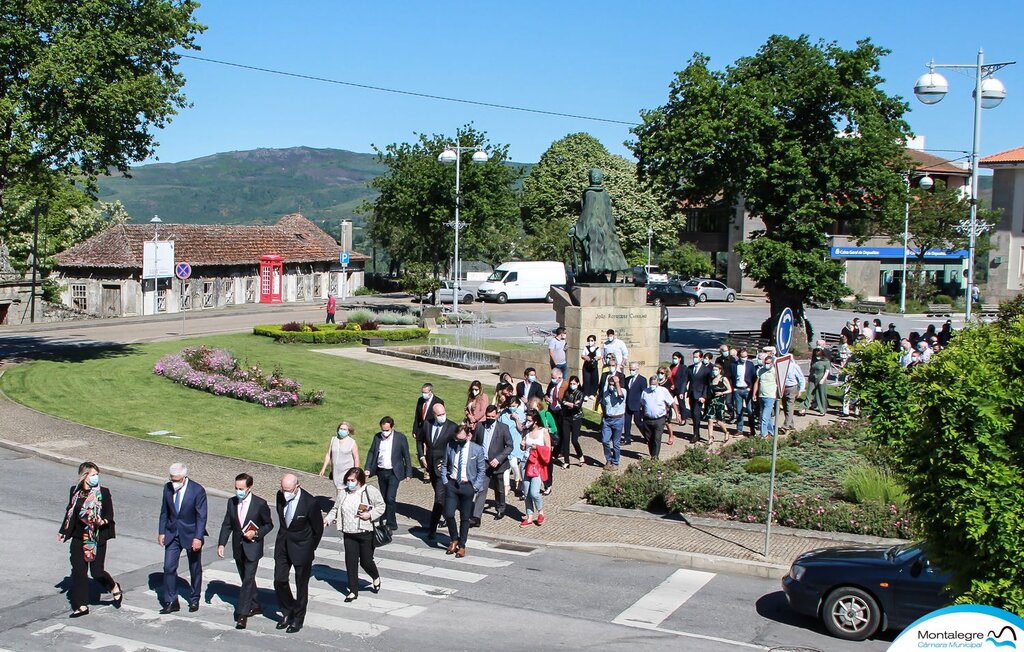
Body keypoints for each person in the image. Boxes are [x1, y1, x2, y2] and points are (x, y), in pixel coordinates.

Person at [58, 461, 121, 618]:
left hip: (96, 537)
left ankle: (113, 587)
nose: (96, 478)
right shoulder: (75, 491)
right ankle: (81, 605)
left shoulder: (103, 493)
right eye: (93, 475)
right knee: (79, 571)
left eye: (97, 475)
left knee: (96, 572)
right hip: (79, 537)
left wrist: (102, 521)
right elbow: (70, 513)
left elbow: (109, 516)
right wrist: (63, 531)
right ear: (84, 476)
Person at [217, 473, 274, 629]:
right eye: (236, 488)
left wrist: (255, 533)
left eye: (241, 488)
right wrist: (222, 543)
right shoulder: (232, 502)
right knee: (245, 579)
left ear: (249, 488)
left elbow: (269, 525)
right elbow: (227, 524)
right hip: (238, 547)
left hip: (252, 547)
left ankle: (242, 613)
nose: (238, 491)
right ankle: (255, 604)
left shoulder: (260, 504)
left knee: (248, 580)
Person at [323, 467, 383, 602]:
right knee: (350, 562)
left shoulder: (369, 491)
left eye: (352, 480)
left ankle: (375, 576)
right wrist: (328, 519)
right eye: (348, 480)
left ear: (360, 480)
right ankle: (353, 591)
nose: (349, 482)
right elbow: (335, 508)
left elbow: (381, 506)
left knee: (366, 561)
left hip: (365, 532)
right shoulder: (343, 493)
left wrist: (370, 514)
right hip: (349, 533)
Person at [274, 473, 323, 633]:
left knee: (301, 585)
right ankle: (288, 609)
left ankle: (298, 618)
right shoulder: (280, 496)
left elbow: (318, 529)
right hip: (283, 544)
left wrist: (310, 547)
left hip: (302, 547)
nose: (285, 493)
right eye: (283, 489)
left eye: (288, 490)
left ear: (297, 487)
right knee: (279, 579)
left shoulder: (310, 502)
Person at [158, 462, 207, 614]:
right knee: (168, 567)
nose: (174, 482)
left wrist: (198, 537)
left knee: (194, 567)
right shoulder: (167, 488)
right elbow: (164, 511)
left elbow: (201, 516)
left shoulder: (197, 490)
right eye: (172, 479)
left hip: (191, 534)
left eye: (177, 479)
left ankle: (194, 598)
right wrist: (162, 531)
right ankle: (171, 600)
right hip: (172, 533)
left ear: (184, 477)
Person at [441, 425, 486, 558]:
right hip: (453, 484)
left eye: (461, 439)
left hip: (468, 486)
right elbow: (444, 465)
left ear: (468, 436)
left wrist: (475, 487)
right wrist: (445, 481)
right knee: (449, 514)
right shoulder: (451, 446)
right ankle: (454, 538)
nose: (458, 442)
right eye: (457, 439)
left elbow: (481, 470)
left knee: (465, 518)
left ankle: (462, 545)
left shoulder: (476, 450)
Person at [416, 403, 458, 540]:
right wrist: (422, 456)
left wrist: (449, 464)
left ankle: (432, 529)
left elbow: (456, 448)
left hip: (443, 468)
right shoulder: (427, 425)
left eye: (443, 414)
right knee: (440, 494)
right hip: (430, 466)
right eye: (439, 415)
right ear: (434, 415)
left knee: (439, 498)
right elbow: (419, 440)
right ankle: (447, 515)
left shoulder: (451, 427)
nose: (442, 417)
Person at [364, 416, 413, 532]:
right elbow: (371, 452)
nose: (385, 432)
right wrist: (368, 468)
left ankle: (392, 522)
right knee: (383, 497)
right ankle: (383, 518)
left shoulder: (400, 438)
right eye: (383, 430)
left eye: (387, 430)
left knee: (390, 497)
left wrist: (408, 473)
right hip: (381, 471)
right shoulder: (377, 438)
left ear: (392, 427)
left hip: (394, 472)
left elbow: (406, 455)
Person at [473, 405, 513, 522]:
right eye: (488, 416)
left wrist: (499, 459)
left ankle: (501, 508)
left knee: (499, 488)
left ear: (496, 415)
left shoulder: (503, 428)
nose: (490, 418)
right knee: (481, 489)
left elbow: (509, 446)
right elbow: (475, 443)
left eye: (492, 416)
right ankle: (476, 516)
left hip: (498, 464)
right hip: (483, 463)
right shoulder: (480, 426)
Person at [519, 409, 552, 527]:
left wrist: (537, 447)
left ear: (536, 421)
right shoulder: (526, 432)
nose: (527, 422)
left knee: (534, 492)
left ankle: (540, 511)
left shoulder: (543, 432)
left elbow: (548, 450)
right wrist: (522, 445)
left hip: (537, 464)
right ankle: (529, 516)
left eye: (529, 420)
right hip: (525, 462)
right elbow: (523, 447)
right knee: (526, 492)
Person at [598, 354, 627, 470]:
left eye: (612, 385)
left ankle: (615, 462)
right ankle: (608, 459)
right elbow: (602, 399)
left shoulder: (622, 390)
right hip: (607, 419)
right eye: (609, 385)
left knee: (616, 444)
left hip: (618, 419)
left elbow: (620, 396)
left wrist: (617, 384)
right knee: (605, 441)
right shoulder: (606, 391)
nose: (610, 386)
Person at [528, 396, 558, 494]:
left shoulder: (546, 414)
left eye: (534, 408)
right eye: (531, 408)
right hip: (535, 445)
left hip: (546, 443)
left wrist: (549, 430)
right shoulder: (530, 416)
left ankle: (548, 485)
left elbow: (554, 428)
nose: (533, 410)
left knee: (547, 465)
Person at [640, 375, 674, 460]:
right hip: (647, 419)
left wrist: (678, 414)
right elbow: (642, 404)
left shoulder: (663, 391)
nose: (652, 386)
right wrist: (642, 415)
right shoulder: (645, 392)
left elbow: (672, 402)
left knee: (657, 438)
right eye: (651, 384)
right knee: (649, 439)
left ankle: (655, 457)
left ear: (658, 383)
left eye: (654, 384)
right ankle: (652, 454)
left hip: (659, 419)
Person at [318, 422, 359, 492]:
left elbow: (356, 458)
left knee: (345, 490)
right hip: (336, 471)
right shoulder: (333, 440)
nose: (342, 430)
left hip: (347, 471)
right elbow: (328, 454)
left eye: (344, 429)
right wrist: (323, 468)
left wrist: (356, 472)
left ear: (348, 431)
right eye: (341, 429)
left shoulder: (352, 442)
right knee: (338, 489)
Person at [499, 395, 526, 497]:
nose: (512, 407)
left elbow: (521, 429)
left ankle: (518, 480)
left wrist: (516, 419)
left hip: (515, 442)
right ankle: (507, 485)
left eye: (514, 405)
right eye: (510, 405)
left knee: (514, 463)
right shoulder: (504, 413)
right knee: (506, 465)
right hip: (505, 442)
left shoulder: (520, 414)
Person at [686, 350, 711, 443]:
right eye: (694, 357)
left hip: (700, 395)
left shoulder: (706, 370)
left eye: (696, 357)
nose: (695, 358)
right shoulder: (690, 368)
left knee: (696, 414)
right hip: (692, 394)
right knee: (693, 414)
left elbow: (707, 385)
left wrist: (704, 396)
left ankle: (696, 434)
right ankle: (697, 433)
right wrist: (682, 391)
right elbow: (686, 380)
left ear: (701, 358)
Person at [753, 354, 779, 438]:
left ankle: (763, 435)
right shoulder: (760, 371)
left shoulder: (775, 371)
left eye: (768, 363)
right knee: (767, 417)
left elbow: (779, 383)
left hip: (770, 397)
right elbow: (757, 383)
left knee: (764, 417)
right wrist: (754, 394)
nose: (767, 365)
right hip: (761, 396)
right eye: (765, 363)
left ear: (772, 363)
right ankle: (772, 432)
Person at [545, 368, 568, 467]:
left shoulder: (565, 385)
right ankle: (555, 450)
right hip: (552, 410)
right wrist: (546, 398)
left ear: (560, 377)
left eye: (553, 378)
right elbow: (546, 394)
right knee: (553, 430)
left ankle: (561, 451)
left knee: (561, 430)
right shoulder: (552, 384)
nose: (552, 379)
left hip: (561, 411)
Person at [561, 375, 586, 464]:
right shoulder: (567, 392)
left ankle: (580, 455)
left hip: (576, 418)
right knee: (566, 439)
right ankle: (566, 461)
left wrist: (569, 404)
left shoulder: (580, 393)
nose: (572, 385)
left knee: (574, 440)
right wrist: (570, 404)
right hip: (566, 418)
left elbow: (577, 406)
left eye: (574, 383)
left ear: (578, 384)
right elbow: (563, 402)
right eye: (571, 383)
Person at [622, 361, 647, 446]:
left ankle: (647, 436)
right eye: (630, 369)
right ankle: (627, 438)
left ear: (637, 369)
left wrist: (642, 405)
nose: (631, 371)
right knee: (627, 422)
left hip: (637, 405)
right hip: (628, 404)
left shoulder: (642, 380)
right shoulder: (627, 379)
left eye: (633, 369)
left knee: (638, 422)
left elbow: (644, 393)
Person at [706, 364, 733, 442]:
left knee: (719, 421)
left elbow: (730, 389)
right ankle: (710, 437)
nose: (714, 371)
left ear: (720, 370)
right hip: (712, 401)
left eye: (716, 370)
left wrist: (722, 393)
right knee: (710, 420)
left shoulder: (723, 379)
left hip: (720, 402)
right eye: (713, 370)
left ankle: (726, 432)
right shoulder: (712, 379)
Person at [732, 350, 756, 437]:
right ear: (738, 356)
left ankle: (752, 430)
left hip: (747, 390)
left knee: (750, 411)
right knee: (739, 411)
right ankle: (739, 429)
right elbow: (731, 377)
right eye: (742, 356)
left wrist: (750, 388)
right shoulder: (734, 365)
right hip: (737, 390)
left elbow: (754, 377)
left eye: (746, 356)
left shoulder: (750, 364)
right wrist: (733, 388)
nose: (744, 358)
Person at [655, 365, 679, 446]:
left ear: (665, 374)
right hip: (657, 405)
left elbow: (670, 396)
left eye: (662, 373)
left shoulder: (668, 382)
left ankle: (671, 435)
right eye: (659, 372)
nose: (660, 374)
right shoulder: (655, 382)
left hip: (666, 406)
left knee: (667, 422)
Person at [802, 349, 831, 416]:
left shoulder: (826, 361)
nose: (817, 352)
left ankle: (822, 409)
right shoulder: (814, 360)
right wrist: (809, 377)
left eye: (818, 351)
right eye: (816, 351)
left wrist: (823, 379)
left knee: (820, 393)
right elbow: (811, 369)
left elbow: (827, 371)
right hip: (813, 378)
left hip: (821, 378)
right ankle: (804, 407)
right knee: (809, 393)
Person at [780, 360, 806, 433]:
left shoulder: (794, 366)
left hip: (792, 388)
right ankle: (791, 425)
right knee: (785, 407)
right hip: (783, 388)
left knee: (789, 407)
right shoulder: (781, 366)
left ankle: (785, 426)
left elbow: (801, 378)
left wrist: (801, 390)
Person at [581, 334, 601, 399]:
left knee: (594, 380)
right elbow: (582, 355)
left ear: (594, 341)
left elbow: (599, 356)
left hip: (594, 366)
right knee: (586, 380)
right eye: (589, 340)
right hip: (587, 366)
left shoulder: (597, 349)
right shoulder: (586, 348)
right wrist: (585, 357)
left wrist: (596, 358)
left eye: (592, 340)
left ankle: (592, 394)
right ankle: (586, 394)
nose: (590, 342)